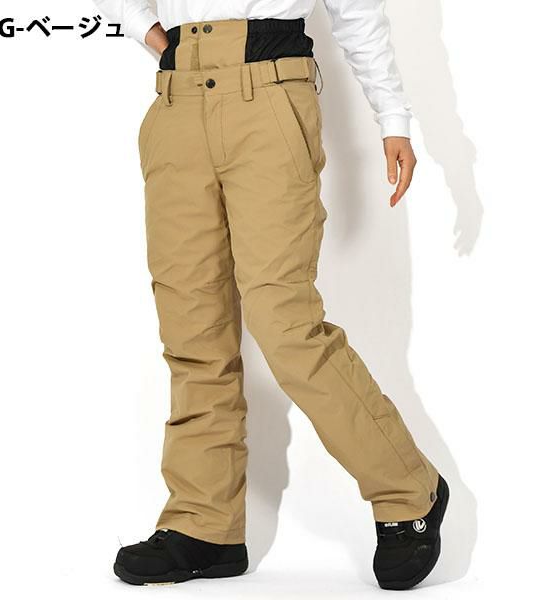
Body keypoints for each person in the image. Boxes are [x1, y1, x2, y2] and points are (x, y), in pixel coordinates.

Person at [93, 0, 449, 590]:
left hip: (270, 89)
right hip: (177, 101)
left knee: (285, 323)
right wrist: (154, 36)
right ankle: (204, 525)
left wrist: (393, 115)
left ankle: (408, 489)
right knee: (191, 328)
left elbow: (355, 9)